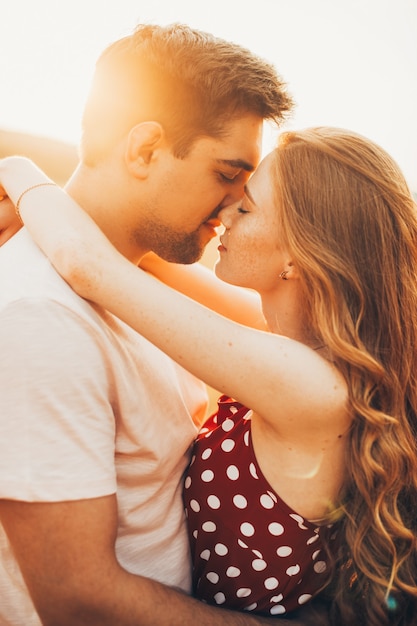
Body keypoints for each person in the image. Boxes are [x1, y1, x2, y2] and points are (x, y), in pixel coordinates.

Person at [2, 127, 417, 626]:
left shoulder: (306, 382)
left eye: (246, 209)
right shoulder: (293, 344)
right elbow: (142, 259)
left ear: (297, 256)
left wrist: (14, 170)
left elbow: (90, 265)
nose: (222, 216)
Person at [0, 21, 302, 626]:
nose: (233, 206)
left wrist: (19, 172)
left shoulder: (136, 287)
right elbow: (77, 597)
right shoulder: (41, 317)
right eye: (226, 173)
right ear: (143, 149)